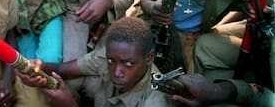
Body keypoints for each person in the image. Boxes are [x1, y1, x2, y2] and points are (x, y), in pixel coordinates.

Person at [17, 17, 175, 107]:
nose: (117, 72)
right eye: (112, 61)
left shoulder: (155, 102)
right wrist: (40, 67)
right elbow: (62, 68)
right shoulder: (110, 56)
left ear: (149, 58)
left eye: (128, 64)